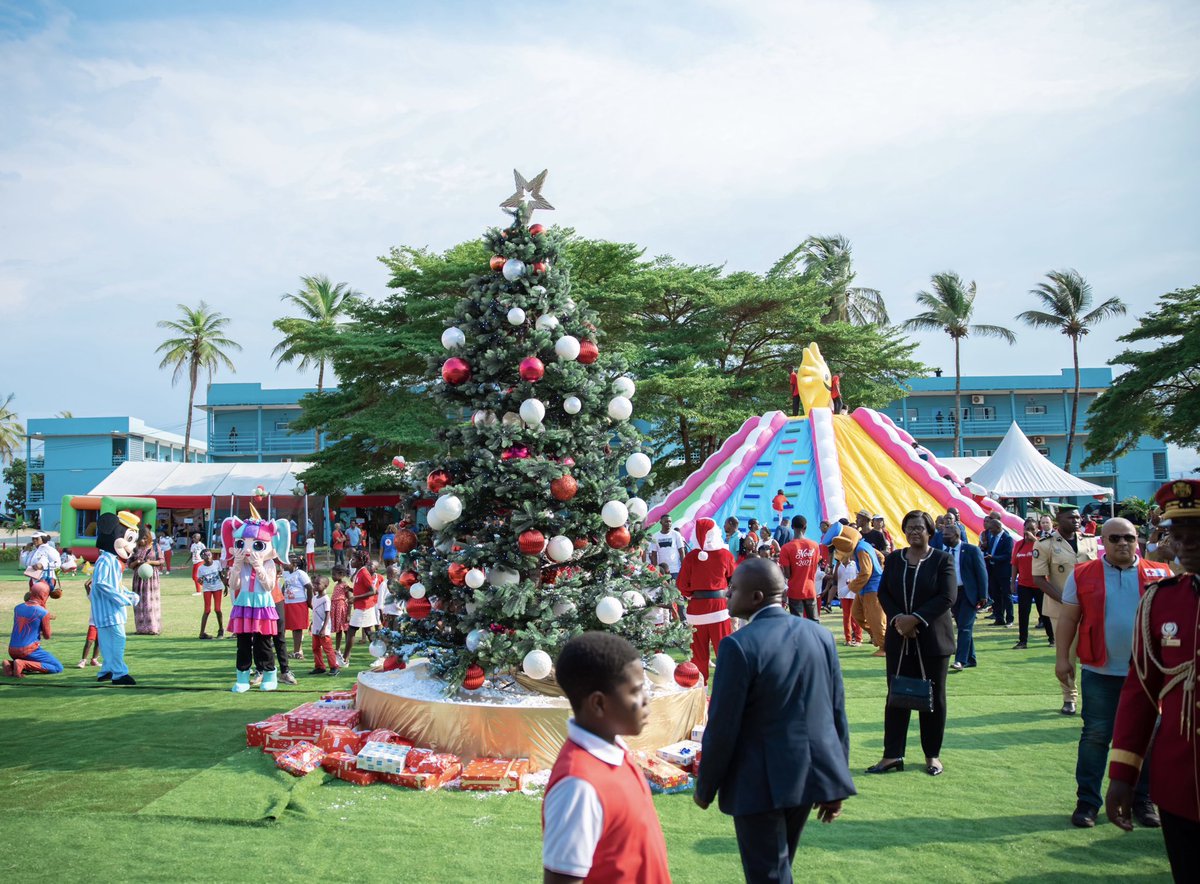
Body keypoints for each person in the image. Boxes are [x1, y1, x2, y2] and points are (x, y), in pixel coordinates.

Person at [695, 558, 855, 883]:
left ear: (756, 597)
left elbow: (723, 727)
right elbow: (836, 713)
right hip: (807, 778)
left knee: (769, 875)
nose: (727, 593)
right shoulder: (820, 635)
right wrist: (834, 781)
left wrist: (705, 786)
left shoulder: (738, 646)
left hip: (758, 783)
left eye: (734, 587)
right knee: (779, 869)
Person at [1106, 480, 1200, 881]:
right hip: (1180, 782)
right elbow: (1140, 693)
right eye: (1177, 536)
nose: (1186, 545)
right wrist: (1123, 776)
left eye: (1196, 535)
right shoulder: (1161, 600)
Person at [1055, 517, 1168, 829]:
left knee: (1148, 738)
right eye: (1115, 538)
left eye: (1129, 538)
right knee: (1095, 736)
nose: (1123, 544)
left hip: (1147, 675)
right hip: (1099, 671)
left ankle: (1143, 801)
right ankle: (1087, 803)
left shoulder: (1160, 573)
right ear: (1101, 541)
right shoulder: (1082, 574)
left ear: (1138, 541)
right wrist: (1062, 659)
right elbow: (1068, 620)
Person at [543, 632, 671, 884]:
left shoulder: (617, 750)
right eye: (635, 691)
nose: (646, 699)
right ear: (599, 703)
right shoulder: (578, 785)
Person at [868, 510, 957, 777]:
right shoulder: (895, 559)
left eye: (920, 527)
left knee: (933, 698)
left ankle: (932, 756)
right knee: (897, 695)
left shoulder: (943, 560)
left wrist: (915, 620)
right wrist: (898, 620)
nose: (915, 532)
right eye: (910, 527)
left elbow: (947, 596)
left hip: (932, 640)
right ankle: (892, 755)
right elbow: (884, 591)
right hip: (899, 639)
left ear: (930, 531)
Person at [1033, 505, 1099, 715]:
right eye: (1071, 518)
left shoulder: (1089, 540)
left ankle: (1095, 697)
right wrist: (1066, 600)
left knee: (1094, 653)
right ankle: (1069, 697)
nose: (1077, 521)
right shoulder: (1045, 544)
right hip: (1061, 608)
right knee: (1067, 654)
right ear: (1058, 519)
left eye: (1078, 517)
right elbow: (1039, 578)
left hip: (1091, 606)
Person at [676, 517, 736, 683]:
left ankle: (701, 692)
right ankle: (728, 687)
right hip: (718, 608)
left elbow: (681, 584)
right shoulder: (725, 554)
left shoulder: (690, 557)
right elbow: (735, 579)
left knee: (699, 656)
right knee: (724, 652)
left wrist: (691, 595)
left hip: (696, 609)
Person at [89, 511, 142, 686]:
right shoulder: (106, 560)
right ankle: (119, 673)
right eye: (129, 539)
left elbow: (114, 585)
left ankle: (106, 670)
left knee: (107, 642)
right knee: (118, 640)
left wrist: (129, 594)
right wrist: (122, 599)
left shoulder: (108, 560)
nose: (131, 546)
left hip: (106, 612)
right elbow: (102, 585)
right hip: (109, 612)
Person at [825, 523, 886, 657]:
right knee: (857, 613)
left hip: (873, 588)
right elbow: (881, 557)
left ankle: (885, 646)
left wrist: (849, 587)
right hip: (864, 587)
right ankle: (875, 636)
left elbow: (866, 572)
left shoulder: (861, 549)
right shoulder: (864, 545)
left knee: (876, 617)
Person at [942, 523, 987, 672]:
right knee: (963, 625)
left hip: (970, 594)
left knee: (964, 627)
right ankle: (971, 658)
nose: (943, 538)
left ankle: (960, 660)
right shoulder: (944, 552)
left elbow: (982, 573)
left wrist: (983, 595)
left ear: (956, 535)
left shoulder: (971, 550)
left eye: (946, 535)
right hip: (953, 594)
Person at [3, 584, 63, 677]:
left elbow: (28, 616)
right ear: (44, 595)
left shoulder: (18, 608)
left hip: (12, 650)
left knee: (27, 660)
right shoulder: (43, 612)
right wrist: (46, 620)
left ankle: (10, 664)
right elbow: (47, 636)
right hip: (28, 650)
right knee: (57, 667)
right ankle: (22, 664)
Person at [1012, 517, 1053, 649]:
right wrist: (1013, 581)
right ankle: (1022, 641)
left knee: (1044, 612)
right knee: (1023, 613)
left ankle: (1052, 638)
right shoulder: (1019, 545)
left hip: (1040, 583)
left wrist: (1034, 539)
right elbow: (1014, 564)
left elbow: (1048, 555)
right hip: (1024, 584)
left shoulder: (1041, 542)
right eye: (1027, 529)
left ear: (1037, 530)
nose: (1029, 531)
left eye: (1032, 529)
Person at [779, 515, 820, 620]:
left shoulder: (786, 548)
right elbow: (814, 567)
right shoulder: (815, 546)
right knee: (814, 622)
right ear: (805, 527)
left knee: (797, 624)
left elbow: (787, 574)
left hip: (794, 590)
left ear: (792, 527)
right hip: (810, 589)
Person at [343, 551, 379, 668]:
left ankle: (345, 659)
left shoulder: (364, 572)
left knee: (352, 630)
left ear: (360, 561)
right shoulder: (359, 572)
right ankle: (382, 656)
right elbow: (362, 590)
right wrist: (351, 590)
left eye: (353, 560)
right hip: (361, 606)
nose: (351, 561)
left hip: (364, 607)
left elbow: (372, 591)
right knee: (369, 632)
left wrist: (355, 598)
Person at [129, 528, 164, 635]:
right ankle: (141, 628)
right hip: (138, 579)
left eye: (145, 538)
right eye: (140, 539)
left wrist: (150, 562)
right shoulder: (134, 548)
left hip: (151, 578)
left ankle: (153, 628)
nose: (143, 541)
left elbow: (161, 561)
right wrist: (137, 562)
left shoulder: (155, 547)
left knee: (151, 602)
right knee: (139, 602)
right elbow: (129, 565)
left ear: (148, 538)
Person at [982, 516, 1014, 626]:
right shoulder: (992, 537)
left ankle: (1010, 619)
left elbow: (1007, 555)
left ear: (997, 527)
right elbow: (991, 550)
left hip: (1003, 572)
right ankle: (999, 618)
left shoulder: (1007, 538)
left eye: (991, 529)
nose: (990, 531)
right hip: (993, 571)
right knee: (995, 595)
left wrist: (993, 558)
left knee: (1006, 595)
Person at [281, 556, 313, 659]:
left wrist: (309, 601)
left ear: (294, 564)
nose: (283, 564)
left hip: (298, 603)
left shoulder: (300, 573)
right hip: (287, 603)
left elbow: (309, 587)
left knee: (297, 628)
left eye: (286, 562)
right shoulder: (286, 574)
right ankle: (287, 650)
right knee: (285, 626)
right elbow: (284, 586)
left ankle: (298, 651)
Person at [195, 549, 228, 639]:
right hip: (207, 589)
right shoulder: (201, 568)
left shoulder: (217, 563)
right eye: (205, 555)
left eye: (209, 554)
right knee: (207, 610)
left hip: (217, 588)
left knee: (217, 609)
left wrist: (226, 586)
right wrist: (200, 581)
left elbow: (221, 575)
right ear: (202, 557)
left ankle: (221, 630)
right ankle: (202, 633)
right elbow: (200, 580)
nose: (208, 556)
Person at [309, 575, 337, 676]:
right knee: (315, 648)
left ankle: (334, 667)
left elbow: (327, 614)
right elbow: (315, 612)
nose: (315, 585)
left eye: (318, 584)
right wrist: (312, 624)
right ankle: (320, 666)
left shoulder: (326, 599)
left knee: (327, 648)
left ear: (325, 586)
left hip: (323, 629)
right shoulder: (315, 598)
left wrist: (324, 628)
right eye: (314, 583)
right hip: (315, 628)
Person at [834, 549, 863, 646]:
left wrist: (852, 581)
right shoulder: (838, 566)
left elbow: (859, 576)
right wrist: (837, 565)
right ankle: (848, 639)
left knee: (855, 616)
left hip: (854, 593)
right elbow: (835, 579)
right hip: (843, 594)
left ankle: (858, 639)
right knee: (846, 617)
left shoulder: (854, 564)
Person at [649, 514, 688, 582]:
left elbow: (681, 552)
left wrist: (684, 567)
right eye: (666, 521)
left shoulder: (676, 534)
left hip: (675, 569)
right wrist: (656, 570)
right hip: (662, 570)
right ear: (661, 522)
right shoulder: (655, 536)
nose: (669, 523)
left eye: (670, 521)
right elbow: (654, 554)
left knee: (675, 590)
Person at [77, 580, 102, 669]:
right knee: (89, 642)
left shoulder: (106, 597)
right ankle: (83, 660)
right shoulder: (93, 596)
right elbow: (86, 584)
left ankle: (94, 660)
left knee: (99, 643)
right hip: (93, 623)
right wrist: (94, 576)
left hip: (102, 623)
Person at [330, 566, 351, 665]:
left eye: (334, 574)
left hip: (342, 610)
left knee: (346, 631)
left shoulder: (344, 585)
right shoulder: (336, 585)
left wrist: (348, 614)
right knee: (338, 630)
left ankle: (347, 651)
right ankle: (337, 650)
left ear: (341, 575)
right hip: (335, 610)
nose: (332, 576)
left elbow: (350, 599)